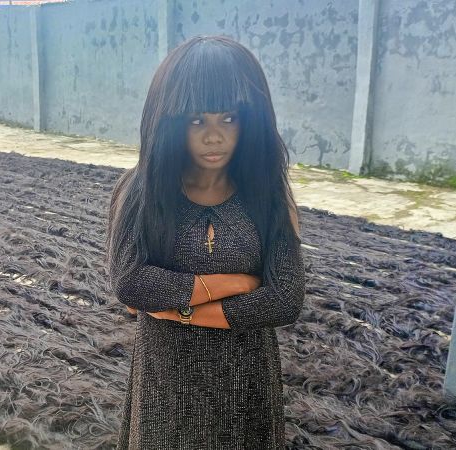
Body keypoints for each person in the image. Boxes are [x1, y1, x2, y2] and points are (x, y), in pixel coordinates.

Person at [105, 35, 306, 449]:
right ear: (170, 120)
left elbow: (285, 300)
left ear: (250, 120)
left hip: (245, 380)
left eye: (227, 118)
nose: (213, 137)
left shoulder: (267, 196)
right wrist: (236, 284)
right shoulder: (141, 191)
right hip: (166, 382)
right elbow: (131, 284)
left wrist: (175, 309)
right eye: (197, 120)